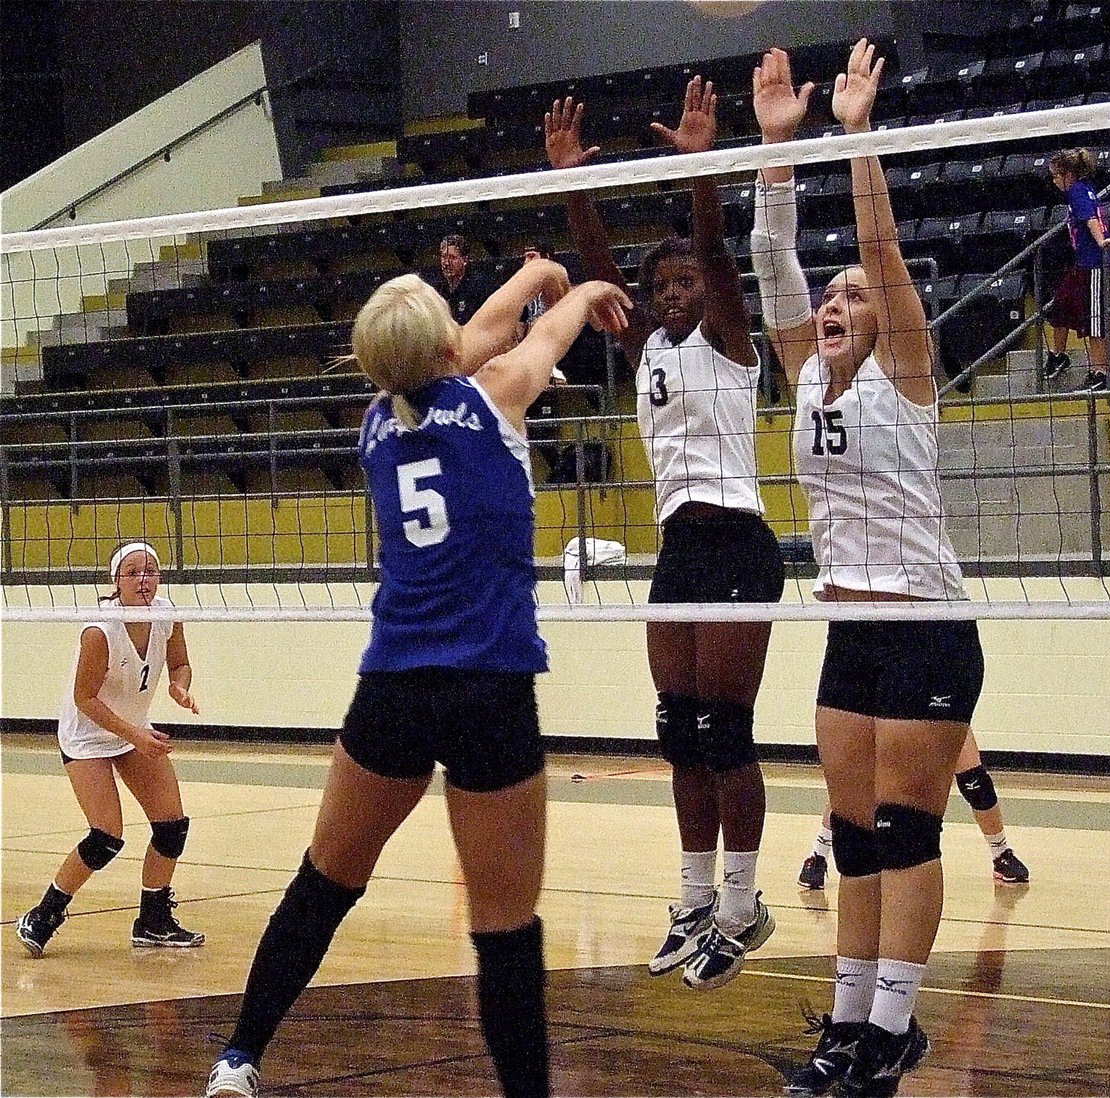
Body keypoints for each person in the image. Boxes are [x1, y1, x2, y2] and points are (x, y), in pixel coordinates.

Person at [205, 264, 631, 1098]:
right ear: (447, 346)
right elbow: (534, 337)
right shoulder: (498, 393)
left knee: (325, 881)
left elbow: (455, 344)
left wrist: (532, 275)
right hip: (490, 689)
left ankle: (239, 1057)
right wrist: (573, 291)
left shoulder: (373, 422)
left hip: (393, 688)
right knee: (506, 929)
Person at [752, 42, 986, 1096]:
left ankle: (895, 1028)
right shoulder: (807, 382)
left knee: (903, 830)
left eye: (855, 293)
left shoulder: (906, 373)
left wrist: (856, 138)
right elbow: (773, 271)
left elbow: (882, 248)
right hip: (851, 625)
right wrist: (772, 153)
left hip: (927, 622)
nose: (838, 300)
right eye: (832, 295)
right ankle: (848, 1027)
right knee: (852, 839)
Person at [545, 75, 785, 992]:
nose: (675, 292)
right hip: (680, 548)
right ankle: (692, 900)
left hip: (738, 543)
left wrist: (702, 167)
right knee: (678, 733)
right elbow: (602, 265)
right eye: (664, 284)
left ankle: (741, 904)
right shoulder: (647, 343)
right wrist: (573, 178)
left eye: (685, 281)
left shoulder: (730, 337)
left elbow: (718, 249)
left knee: (726, 730)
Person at [15, 541, 204, 958]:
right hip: (86, 736)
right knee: (106, 837)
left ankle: (153, 922)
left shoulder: (166, 614)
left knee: (172, 826)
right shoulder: (100, 630)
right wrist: (136, 735)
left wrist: (179, 687)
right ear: (115, 581)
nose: (143, 579)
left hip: (130, 730)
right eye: (133, 571)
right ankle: (43, 914)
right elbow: (85, 698)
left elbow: (180, 663)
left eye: (151, 571)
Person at [798, 730, 1030, 890]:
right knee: (856, 783)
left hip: (932, 691)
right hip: (887, 697)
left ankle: (1001, 853)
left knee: (975, 781)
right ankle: (818, 855)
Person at [1043, 148, 1110, 392]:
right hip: (1082, 262)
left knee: (1094, 319)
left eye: (1056, 176)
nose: (1054, 182)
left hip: (1096, 262)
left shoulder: (1077, 191)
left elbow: (1090, 219)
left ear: (1068, 174)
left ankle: (1100, 373)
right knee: (1061, 303)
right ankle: (1058, 355)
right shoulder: (1081, 190)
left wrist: (1101, 241)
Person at [429, 233, 499, 324]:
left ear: (465, 260)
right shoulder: (437, 288)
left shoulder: (481, 286)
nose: (446, 263)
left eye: (452, 258)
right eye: (443, 257)